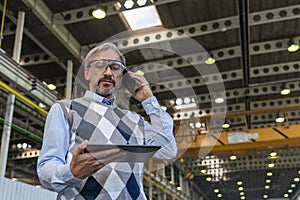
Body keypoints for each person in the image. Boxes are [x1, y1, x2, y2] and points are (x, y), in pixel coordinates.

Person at [37, 42, 177, 200]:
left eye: (115, 67)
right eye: (100, 65)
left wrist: (149, 101)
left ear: (121, 76)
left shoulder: (134, 120)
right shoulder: (65, 109)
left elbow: (167, 150)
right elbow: (45, 170)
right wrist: (71, 172)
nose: (108, 72)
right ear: (87, 72)